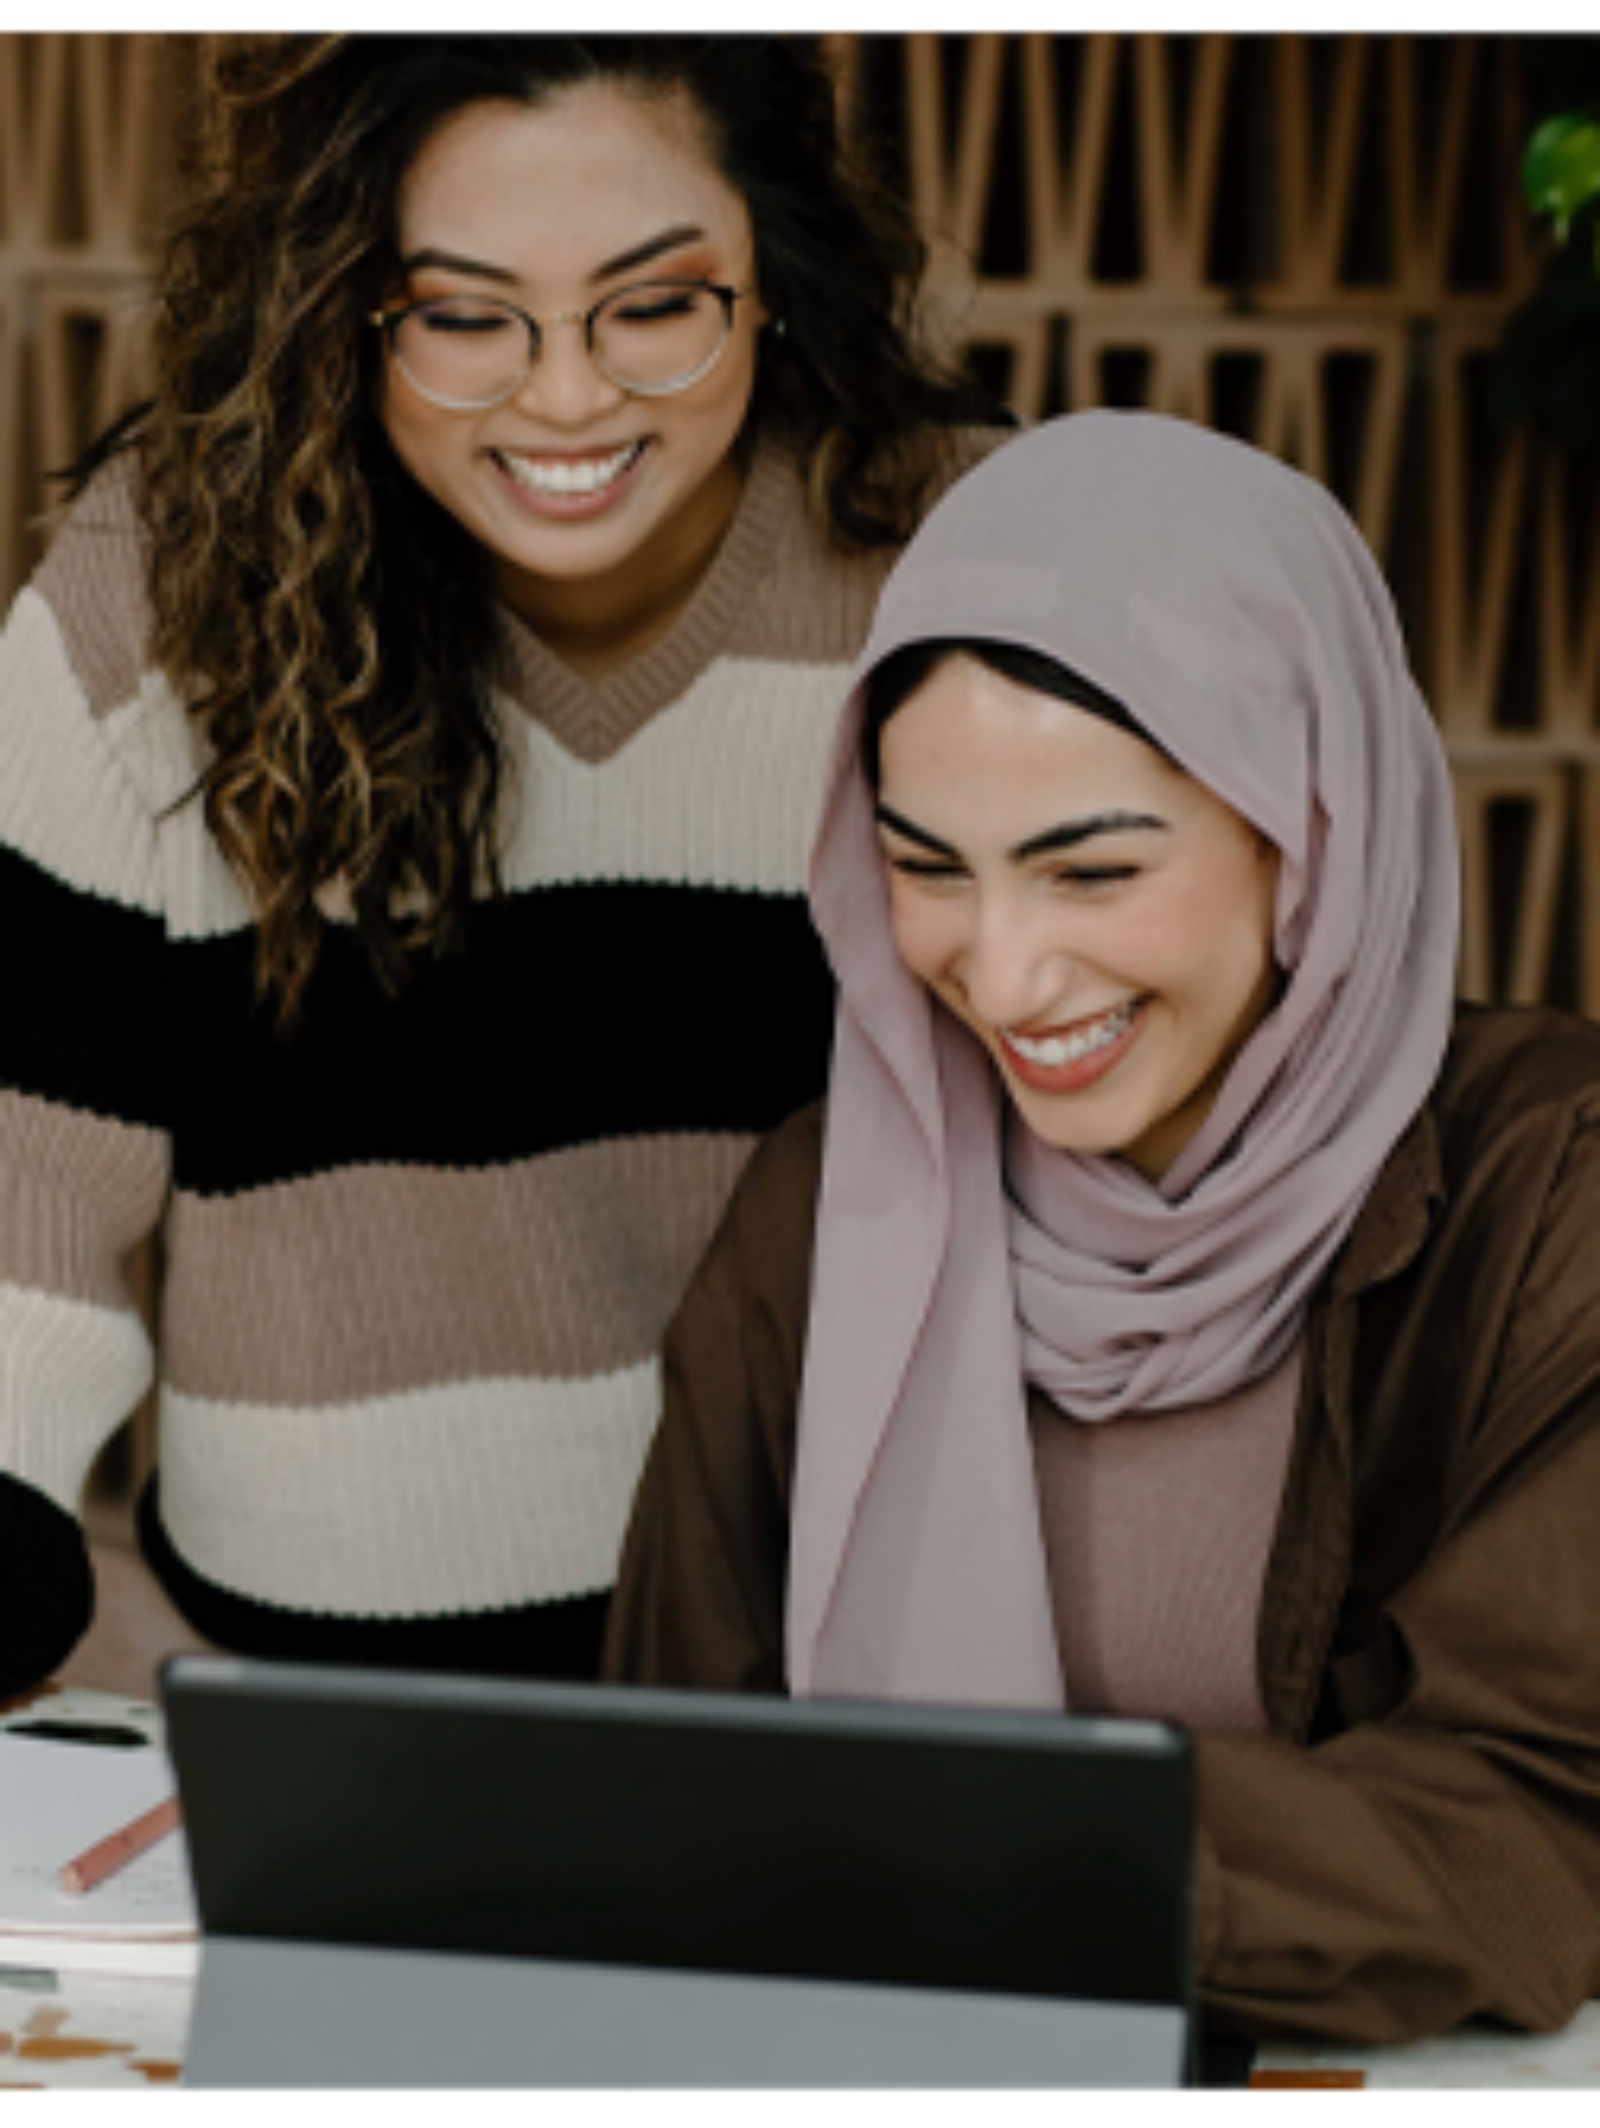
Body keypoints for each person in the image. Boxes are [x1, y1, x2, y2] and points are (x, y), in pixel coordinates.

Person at [0, 29, 998, 1696]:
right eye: (464, 316)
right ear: (345, 305)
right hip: (293, 1734)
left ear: (773, 276)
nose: (565, 395)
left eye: (656, 304)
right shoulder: (151, 610)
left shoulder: (958, 569)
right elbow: (23, 1217)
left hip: (844, 1720)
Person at [608, 413, 1600, 2046]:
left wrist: (990, 1855)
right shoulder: (828, 1203)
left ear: (1309, 835)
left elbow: (1533, 1823)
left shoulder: (1552, 1190)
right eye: (931, 869)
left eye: (1090, 874)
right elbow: (668, 1772)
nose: (1002, 979)